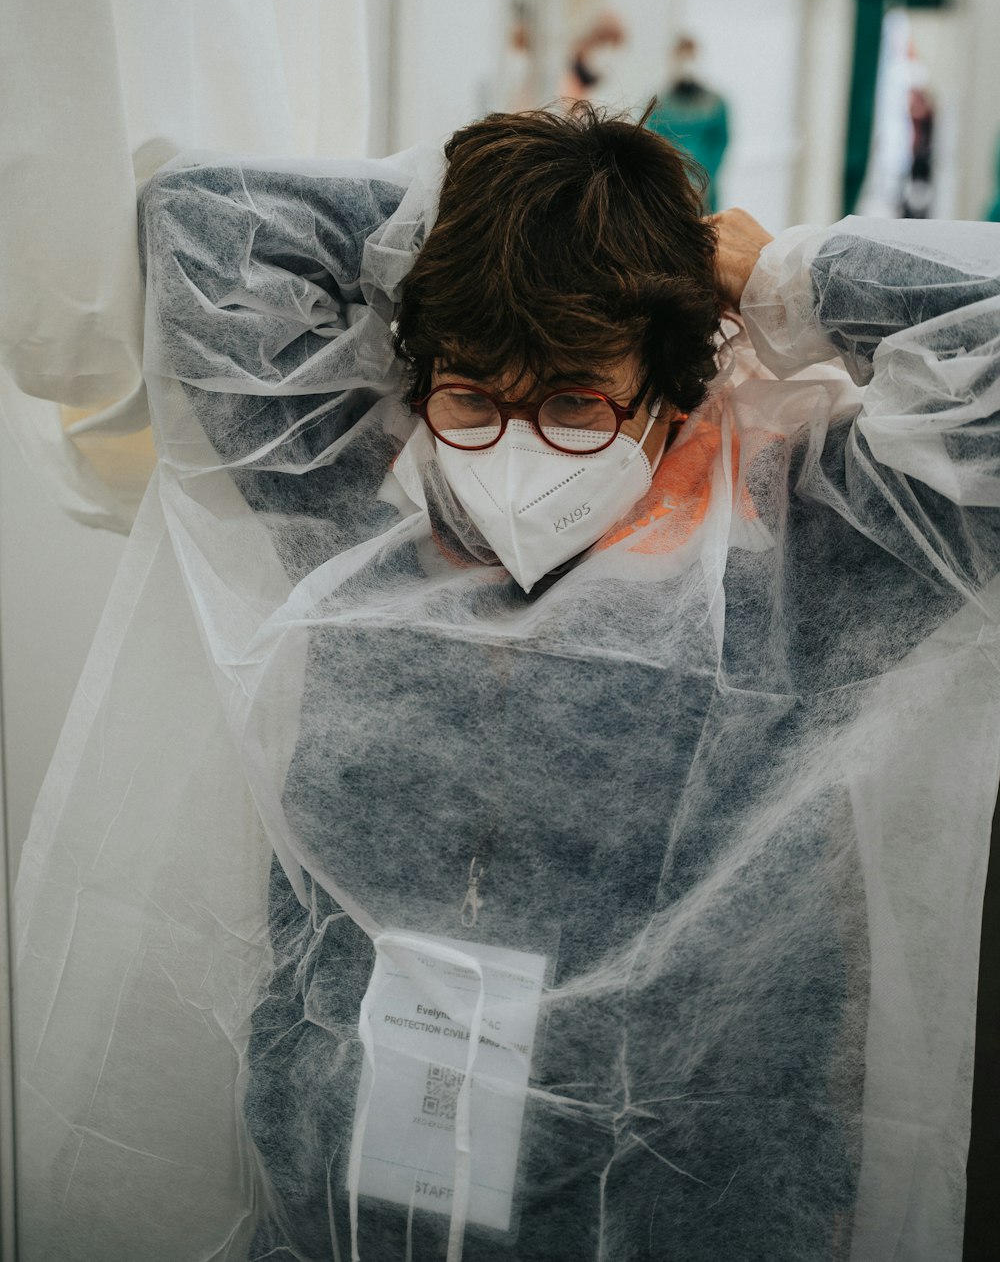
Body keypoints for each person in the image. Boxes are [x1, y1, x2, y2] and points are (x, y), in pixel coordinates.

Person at [15, 106, 1000, 1262]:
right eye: (477, 395)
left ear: (672, 385)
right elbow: (210, 222)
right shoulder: (364, 494)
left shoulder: (809, 539)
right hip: (360, 1163)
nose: (517, 448)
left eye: (577, 402)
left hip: (686, 1184)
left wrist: (782, 277)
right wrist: (487, 228)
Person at [646, 34, 729, 211]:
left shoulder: (714, 104)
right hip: (668, 185)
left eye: (690, 58)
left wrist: (705, 180)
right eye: (681, 59)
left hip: (705, 184)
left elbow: (720, 143)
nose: (686, 66)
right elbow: (650, 143)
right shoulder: (659, 103)